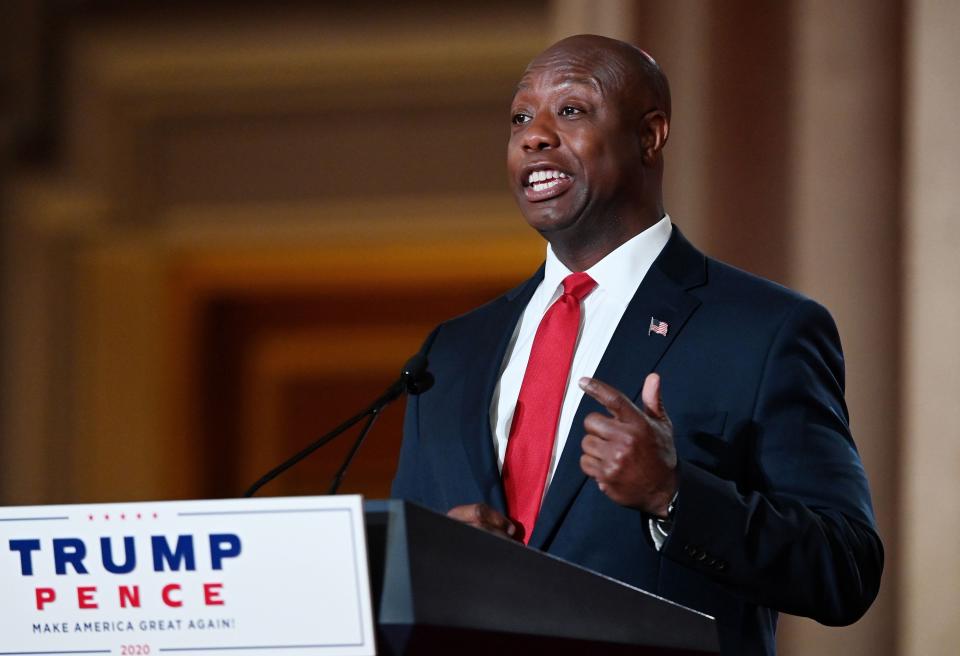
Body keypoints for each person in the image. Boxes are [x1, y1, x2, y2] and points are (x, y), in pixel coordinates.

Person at [391, 34, 882, 655]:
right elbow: (397, 578)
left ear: (650, 136)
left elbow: (846, 568)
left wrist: (672, 494)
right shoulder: (450, 352)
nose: (534, 135)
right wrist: (429, 559)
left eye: (570, 110)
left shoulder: (763, 330)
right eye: (520, 116)